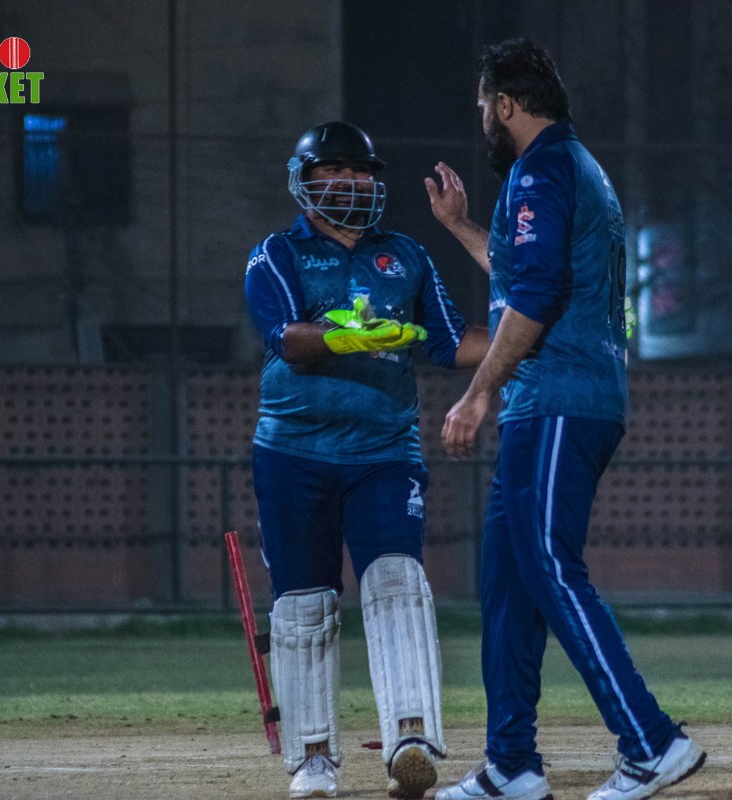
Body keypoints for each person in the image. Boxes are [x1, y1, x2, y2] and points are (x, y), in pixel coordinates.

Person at [424, 39, 706, 800]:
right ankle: (511, 766)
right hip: (564, 400)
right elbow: (528, 271)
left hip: (558, 401)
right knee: (507, 584)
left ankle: (652, 741)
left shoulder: (541, 170)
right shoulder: (571, 166)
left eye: (484, 104)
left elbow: (539, 295)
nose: (482, 117)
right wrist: (461, 227)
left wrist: (478, 392)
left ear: (506, 104)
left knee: (549, 566)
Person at [243, 121, 488, 800]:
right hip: (292, 452)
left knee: (398, 583)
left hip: (383, 452)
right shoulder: (276, 254)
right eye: (335, 171)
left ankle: (412, 738)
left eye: (361, 172)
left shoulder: (406, 256)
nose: (352, 182)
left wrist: (531, 337)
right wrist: (351, 337)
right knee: (303, 606)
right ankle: (313, 759)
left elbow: (451, 344)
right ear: (305, 182)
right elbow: (288, 341)